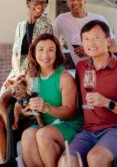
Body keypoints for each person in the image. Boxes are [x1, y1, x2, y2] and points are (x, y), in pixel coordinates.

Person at [59, 20, 117, 167]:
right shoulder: (81, 67)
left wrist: (107, 103)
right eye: (86, 39)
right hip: (88, 131)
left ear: (108, 40)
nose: (91, 43)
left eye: (96, 38)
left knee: (96, 158)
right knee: (66, 162)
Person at [0, 0, 53, 161]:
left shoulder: (46, 24)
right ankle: (6, 160)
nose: (40, 6)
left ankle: (12, 145)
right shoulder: (20, 26)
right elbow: (14, 54)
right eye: (36, 1)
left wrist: (24, 76)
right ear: (28, 2)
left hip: (33, 76)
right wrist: (17, 72)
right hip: (17, 74)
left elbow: (43, 56)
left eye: (43, 3)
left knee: (2, 100)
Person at [21, 33, 82, 167]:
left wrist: (46, 107)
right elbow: (26, 100)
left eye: (51, 50)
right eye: (41, 49)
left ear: (57, 53)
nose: (45, 55)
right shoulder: (31, 76)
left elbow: (70, 112)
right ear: (34, 52)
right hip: (44, 123)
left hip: (67, 124)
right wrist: (26, 108)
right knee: (27, 135)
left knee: (43, 135)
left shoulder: (64, 77)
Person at [54, 0, 117, 66]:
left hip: (107, 66)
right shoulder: (62, 19)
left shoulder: (98, 18)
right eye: (72, 0)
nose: (76, 2)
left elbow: (114, 47)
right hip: (83, 70)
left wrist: (89, 51)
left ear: (85, 2)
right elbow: (53, 42)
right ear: (67, 3)